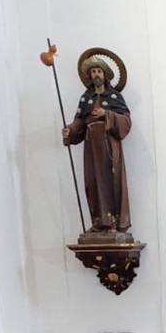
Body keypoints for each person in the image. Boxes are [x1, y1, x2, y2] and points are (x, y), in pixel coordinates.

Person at [62, 57, 132, 235]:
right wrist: (70, 131)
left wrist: (106, 114)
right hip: (91, 147)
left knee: (110, 181)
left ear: (105, 75)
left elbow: (126, 122)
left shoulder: (114, 97)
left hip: (109, 145)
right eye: (93, 72)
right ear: (89, 76)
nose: (96, 75)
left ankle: (114, 222)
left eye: (99, 71)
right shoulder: (86, 98)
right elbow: (79, 122)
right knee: (93, 183)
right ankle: (99, 222)